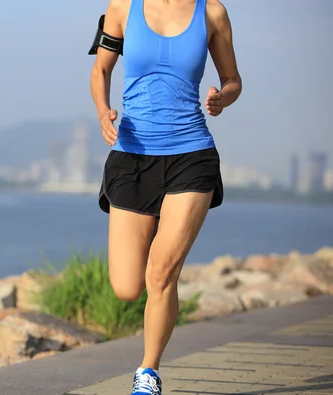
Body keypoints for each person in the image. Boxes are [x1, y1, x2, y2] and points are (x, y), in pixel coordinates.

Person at [89, 0, 242, 394]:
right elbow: (101, 68)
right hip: (132, 155)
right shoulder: (122, 8)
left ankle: (148, 373)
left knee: (161, 272)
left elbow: (233, 80)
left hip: (191, 155)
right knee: (127, 286)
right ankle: (164, 287)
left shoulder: (211, 13)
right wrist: (103, 109)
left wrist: (222, 98)